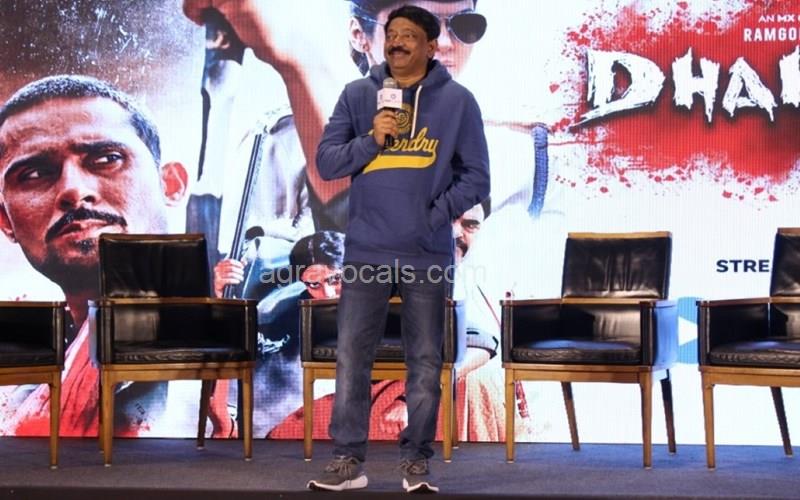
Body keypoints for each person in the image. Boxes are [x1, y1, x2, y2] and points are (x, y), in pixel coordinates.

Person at [306, 5, 489, 493]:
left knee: (425, 361)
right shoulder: (358, 95)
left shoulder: (458, 102)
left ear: (431, 46)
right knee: (352, 356)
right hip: (366, 251)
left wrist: (431, 214)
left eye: (409, 35)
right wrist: (373, 139)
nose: (397, 42)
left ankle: (416, 463)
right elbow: (327, 163)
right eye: (392, 34)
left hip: (426, 253)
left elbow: (477, 178)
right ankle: (348, 462)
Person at [0, 75, 189, 436]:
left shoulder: (265, 344)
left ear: (170, 185)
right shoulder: (15, 396)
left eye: (106, 159)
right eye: (35, 173)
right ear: (6, 221)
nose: (74, 190)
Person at [211, 230, 344, 437]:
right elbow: (244, 343)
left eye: (335, 279)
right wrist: (222, 297)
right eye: (314, 284)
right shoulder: (289, 314)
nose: (326, 294)